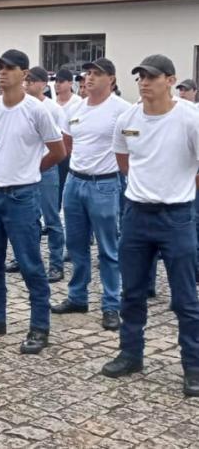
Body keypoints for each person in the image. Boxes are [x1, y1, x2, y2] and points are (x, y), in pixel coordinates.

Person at [102, 54, 199, 397]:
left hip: (177, 217)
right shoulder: (128, 117)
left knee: (186, 298)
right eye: (140, 76)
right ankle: (131, 353)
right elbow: (124, 160)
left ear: (170, 81)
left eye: (152, 77)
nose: (144, 82)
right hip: (137, 215)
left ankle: (193, 366)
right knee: (133, 291)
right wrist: (145, 190)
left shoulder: (190, 118)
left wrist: (177, 191)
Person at [0, 49, 65, 355]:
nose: (2, 73)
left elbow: (58, 151)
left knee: (30, 264)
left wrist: (30, 170)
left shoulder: (37, 110)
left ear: (25, 74)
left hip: (22, 196)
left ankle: (39, 326)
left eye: (10, 68)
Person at [51, 57, 129, 331]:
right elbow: (68, 144)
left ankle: (111, 304)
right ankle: (77, 296)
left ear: (112, 79)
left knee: (108, 248)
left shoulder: (123, 110)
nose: (90, 78)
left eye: (98, 73)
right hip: (75, 182)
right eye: (88, 73)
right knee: (76, 245)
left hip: (104, 184)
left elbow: (132, 147)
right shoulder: (75, 108)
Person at [24, 66, 67, 282]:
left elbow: (61, 144)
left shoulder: (54, 109)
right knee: (28, 219)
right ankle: (27, 260)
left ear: (42, 84)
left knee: (51, 218)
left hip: (47, 168)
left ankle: (56, 263)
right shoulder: (21, 105)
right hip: (26, 169)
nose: (27, 84)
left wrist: (43, 164)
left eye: (32, 81)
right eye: (26, 80)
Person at [54, 69, 82, 199]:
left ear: (70, 83)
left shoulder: (77, 103)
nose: (57, 84)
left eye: (61, 81)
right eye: (56, 81)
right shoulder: (53, 102)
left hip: (70, 150)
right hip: (53, 149)